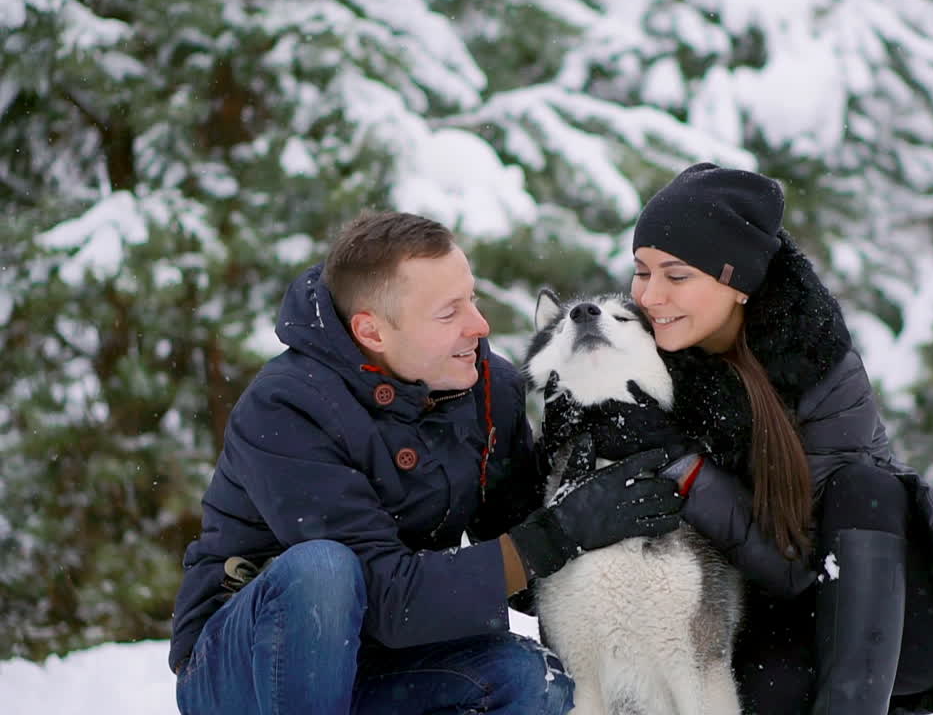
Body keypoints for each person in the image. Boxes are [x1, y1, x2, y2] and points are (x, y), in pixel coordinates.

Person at [168, 211, 685, 715]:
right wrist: (557, 533)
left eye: (471, 299)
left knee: (529, 680)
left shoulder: (487, 387)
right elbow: (388, 597)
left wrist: (589, 458)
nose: (478, 325)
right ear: (372, 332)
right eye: (448, 313)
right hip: (251, 669)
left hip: (385, 661)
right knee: (322, 570)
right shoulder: (287, 407)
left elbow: (525, 558)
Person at [625, 163, 933, 715]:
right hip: (762, 617)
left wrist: (690, 474)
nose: (650, 295)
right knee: (765, 690)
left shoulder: (817, 365)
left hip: (898, 614)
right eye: (641, 271)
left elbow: (797, 559)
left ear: (739, 284)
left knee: (868, 487)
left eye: (677, 275)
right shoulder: (632, 364)